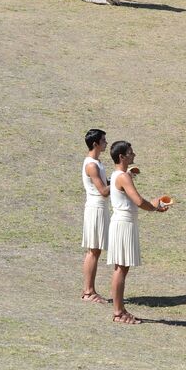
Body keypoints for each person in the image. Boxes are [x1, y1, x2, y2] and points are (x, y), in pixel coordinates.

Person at [105, 140, 168, 325]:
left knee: (122, 268)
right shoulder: (123, 176)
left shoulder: (119, 174)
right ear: (122, 156)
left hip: (124, 222)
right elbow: (139, 201)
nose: (134, 155)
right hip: (123, 224)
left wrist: (154, 205)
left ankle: (120, 309)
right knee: (121, 268)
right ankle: (118, 311)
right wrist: (155, 207)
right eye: (131, 153)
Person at [79, 128, 111, 303]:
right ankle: (88, 291)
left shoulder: (96, 163)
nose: (106, 143)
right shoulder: (91, 164)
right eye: (103, 140)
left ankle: (89, 290)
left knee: (95, 251)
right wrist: (123, 180)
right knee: (94, 250)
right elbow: (104, 191)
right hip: (96, 208)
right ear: (95, 144)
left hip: (100, 208)